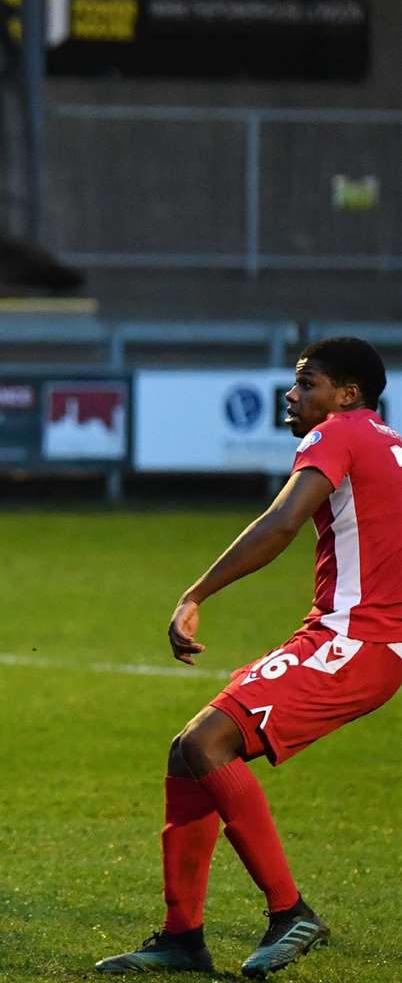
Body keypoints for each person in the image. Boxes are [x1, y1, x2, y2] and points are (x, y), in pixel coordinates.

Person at [95, 337, 399, 978]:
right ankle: (183, 938)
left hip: (353, 642)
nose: (292, 396)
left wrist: (196, 593)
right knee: (187, 753)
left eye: (306, 383)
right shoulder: (389, 444)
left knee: (208, 744)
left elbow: (283, 521)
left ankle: (291, 913)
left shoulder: (336, 434)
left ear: (346, 394)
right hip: (359, 640)